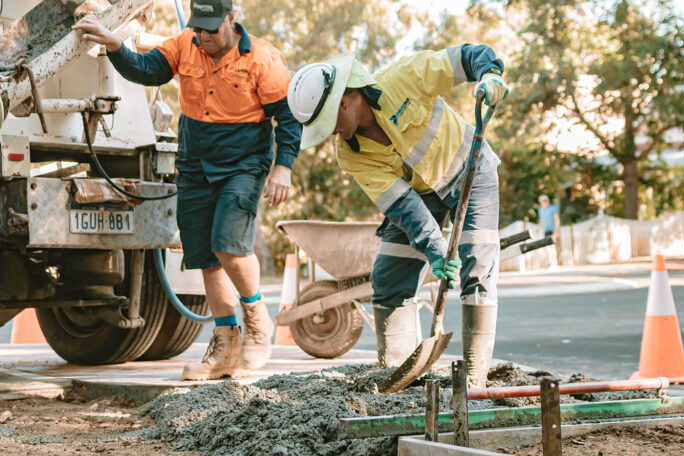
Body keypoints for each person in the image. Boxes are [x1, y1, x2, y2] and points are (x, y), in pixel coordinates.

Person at [73, 0, 300, 380]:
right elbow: (148, 71)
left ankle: (257, 319)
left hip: (243, 163)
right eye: (198, 27)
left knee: (229, 243)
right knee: (205, 256)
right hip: (195, 163)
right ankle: (225, 345)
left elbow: (288, 118)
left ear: (232, 19)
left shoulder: (263, 58)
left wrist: (284, 168)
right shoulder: (184, 43)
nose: (203, 35)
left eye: (211, 28)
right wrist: (115, 44)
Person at [286, 46, 509, 386]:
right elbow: (403, 205)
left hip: (469, 170)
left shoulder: (405, 78)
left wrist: (490, 75)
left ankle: (475, 380)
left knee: (477, 265)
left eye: (328, 124)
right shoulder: (349, 154)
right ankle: (401, 378)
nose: (331, 134)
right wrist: (435, 250)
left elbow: (466, 57)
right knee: (389, 280)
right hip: (420, 196)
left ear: (345, 101)